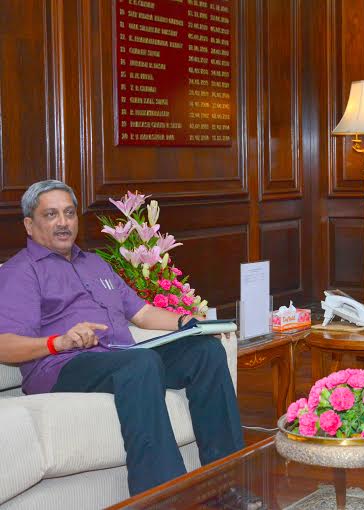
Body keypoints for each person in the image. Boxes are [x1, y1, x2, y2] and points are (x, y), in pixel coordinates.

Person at [0, 180, 244, 495]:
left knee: (204, 352)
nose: (63, 222)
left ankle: (227, 486)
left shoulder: (95, 263)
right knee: (139, 364)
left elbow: (141, 314)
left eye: (69, 213)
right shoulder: (21, 271)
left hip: (123, 357)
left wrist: (186, 320)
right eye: (51, 215)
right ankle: (161, 497)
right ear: (30, 226)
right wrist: (57, 342)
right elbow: (4, 344)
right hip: (63, 366)